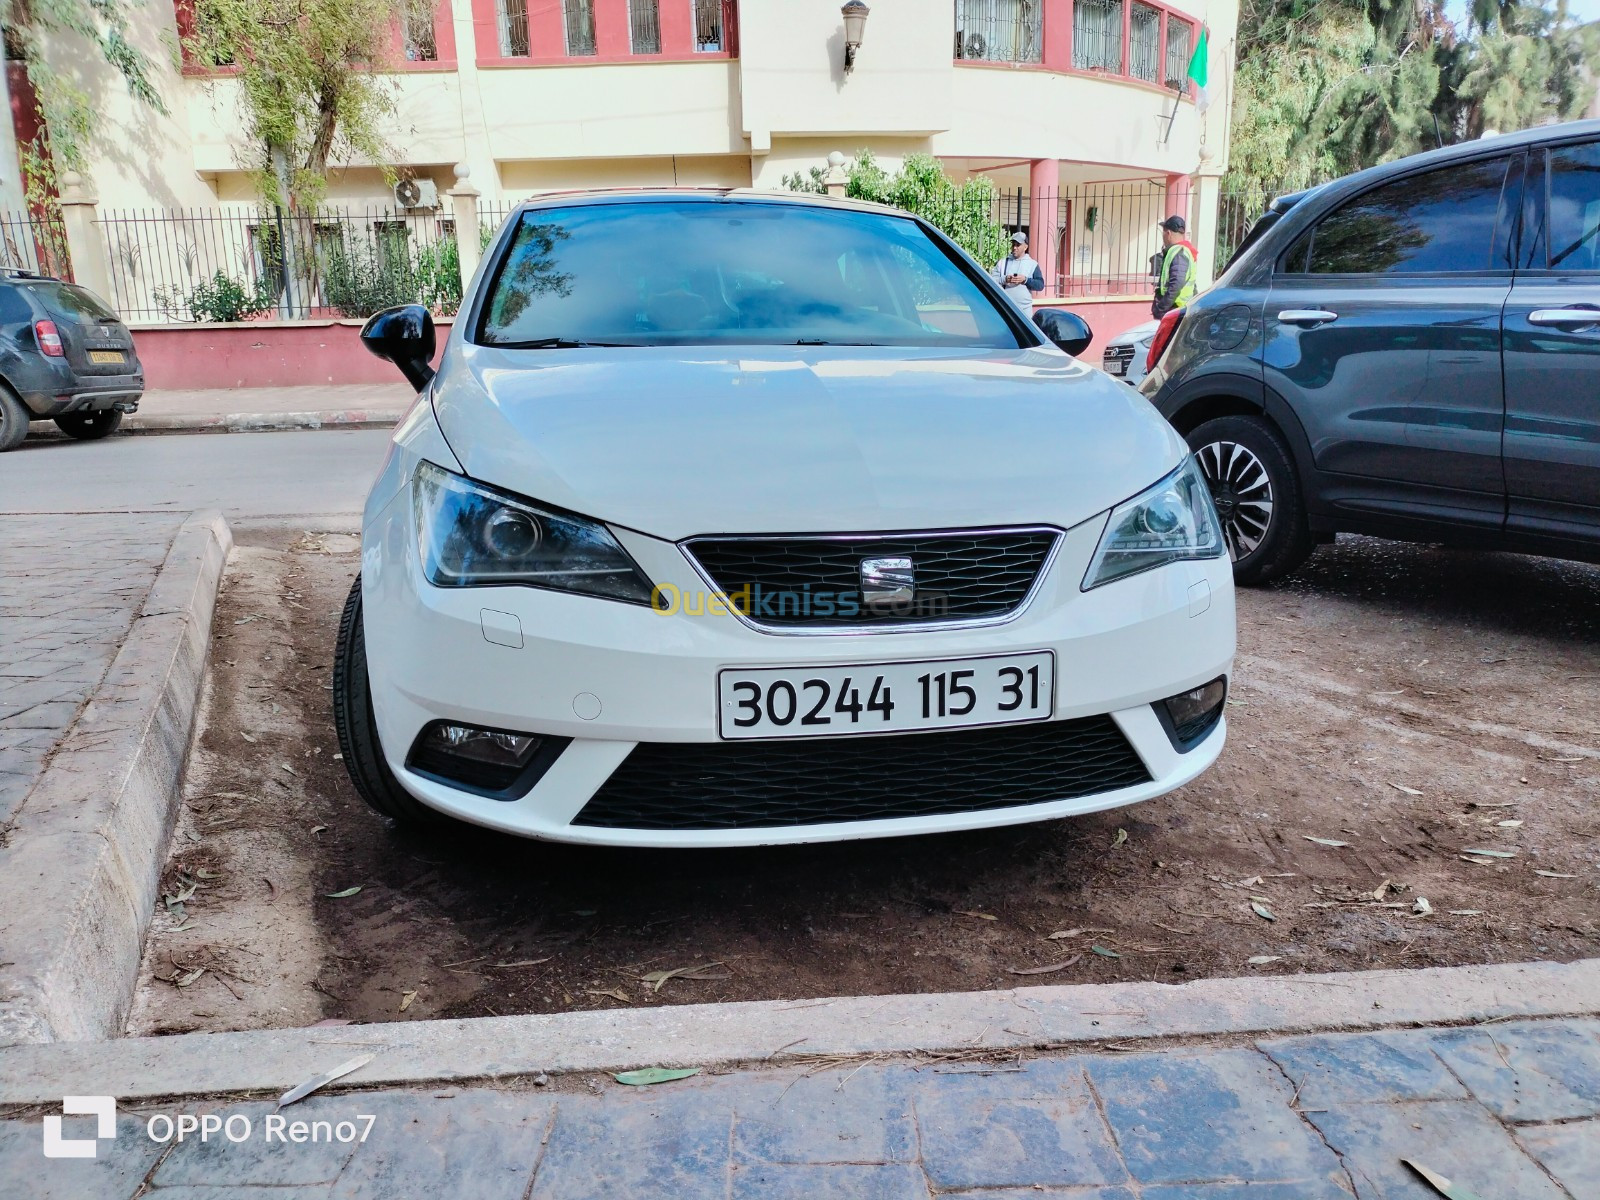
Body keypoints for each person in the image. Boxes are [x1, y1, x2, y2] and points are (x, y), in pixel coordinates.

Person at [1152, 215, 1198, 319]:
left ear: (1168, 233)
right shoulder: (1185, 251)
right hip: (1180, 309)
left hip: (1176, 310)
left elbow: (1176, 284)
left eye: (1163, 233)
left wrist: (1161, 308)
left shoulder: (1178, 253)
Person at [992, 231, 1044, 315]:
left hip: (1025, 312)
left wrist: (1025, 280)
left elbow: (1040, 285)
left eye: (1018, 245)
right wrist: (1005, 279)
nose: (1014, 247)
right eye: (1013, 244)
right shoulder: (1003, 263)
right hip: (1005, 308)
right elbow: (992, 281)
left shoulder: (1032, 264)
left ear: (1025, 247)